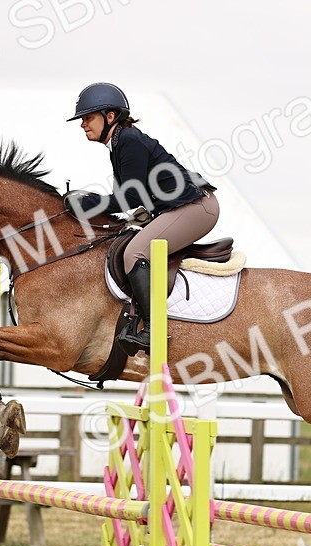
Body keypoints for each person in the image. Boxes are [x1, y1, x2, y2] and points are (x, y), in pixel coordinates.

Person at [64, 82, 219, 353]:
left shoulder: (129, 141)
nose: (82, 124)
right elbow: (128, 201)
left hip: (196, 207)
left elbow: (129, 198)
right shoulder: (119, 143)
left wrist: (86, 202)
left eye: (88, 118)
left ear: (110, 116)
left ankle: (153, 330)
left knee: (133, 253)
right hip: (181, 207)